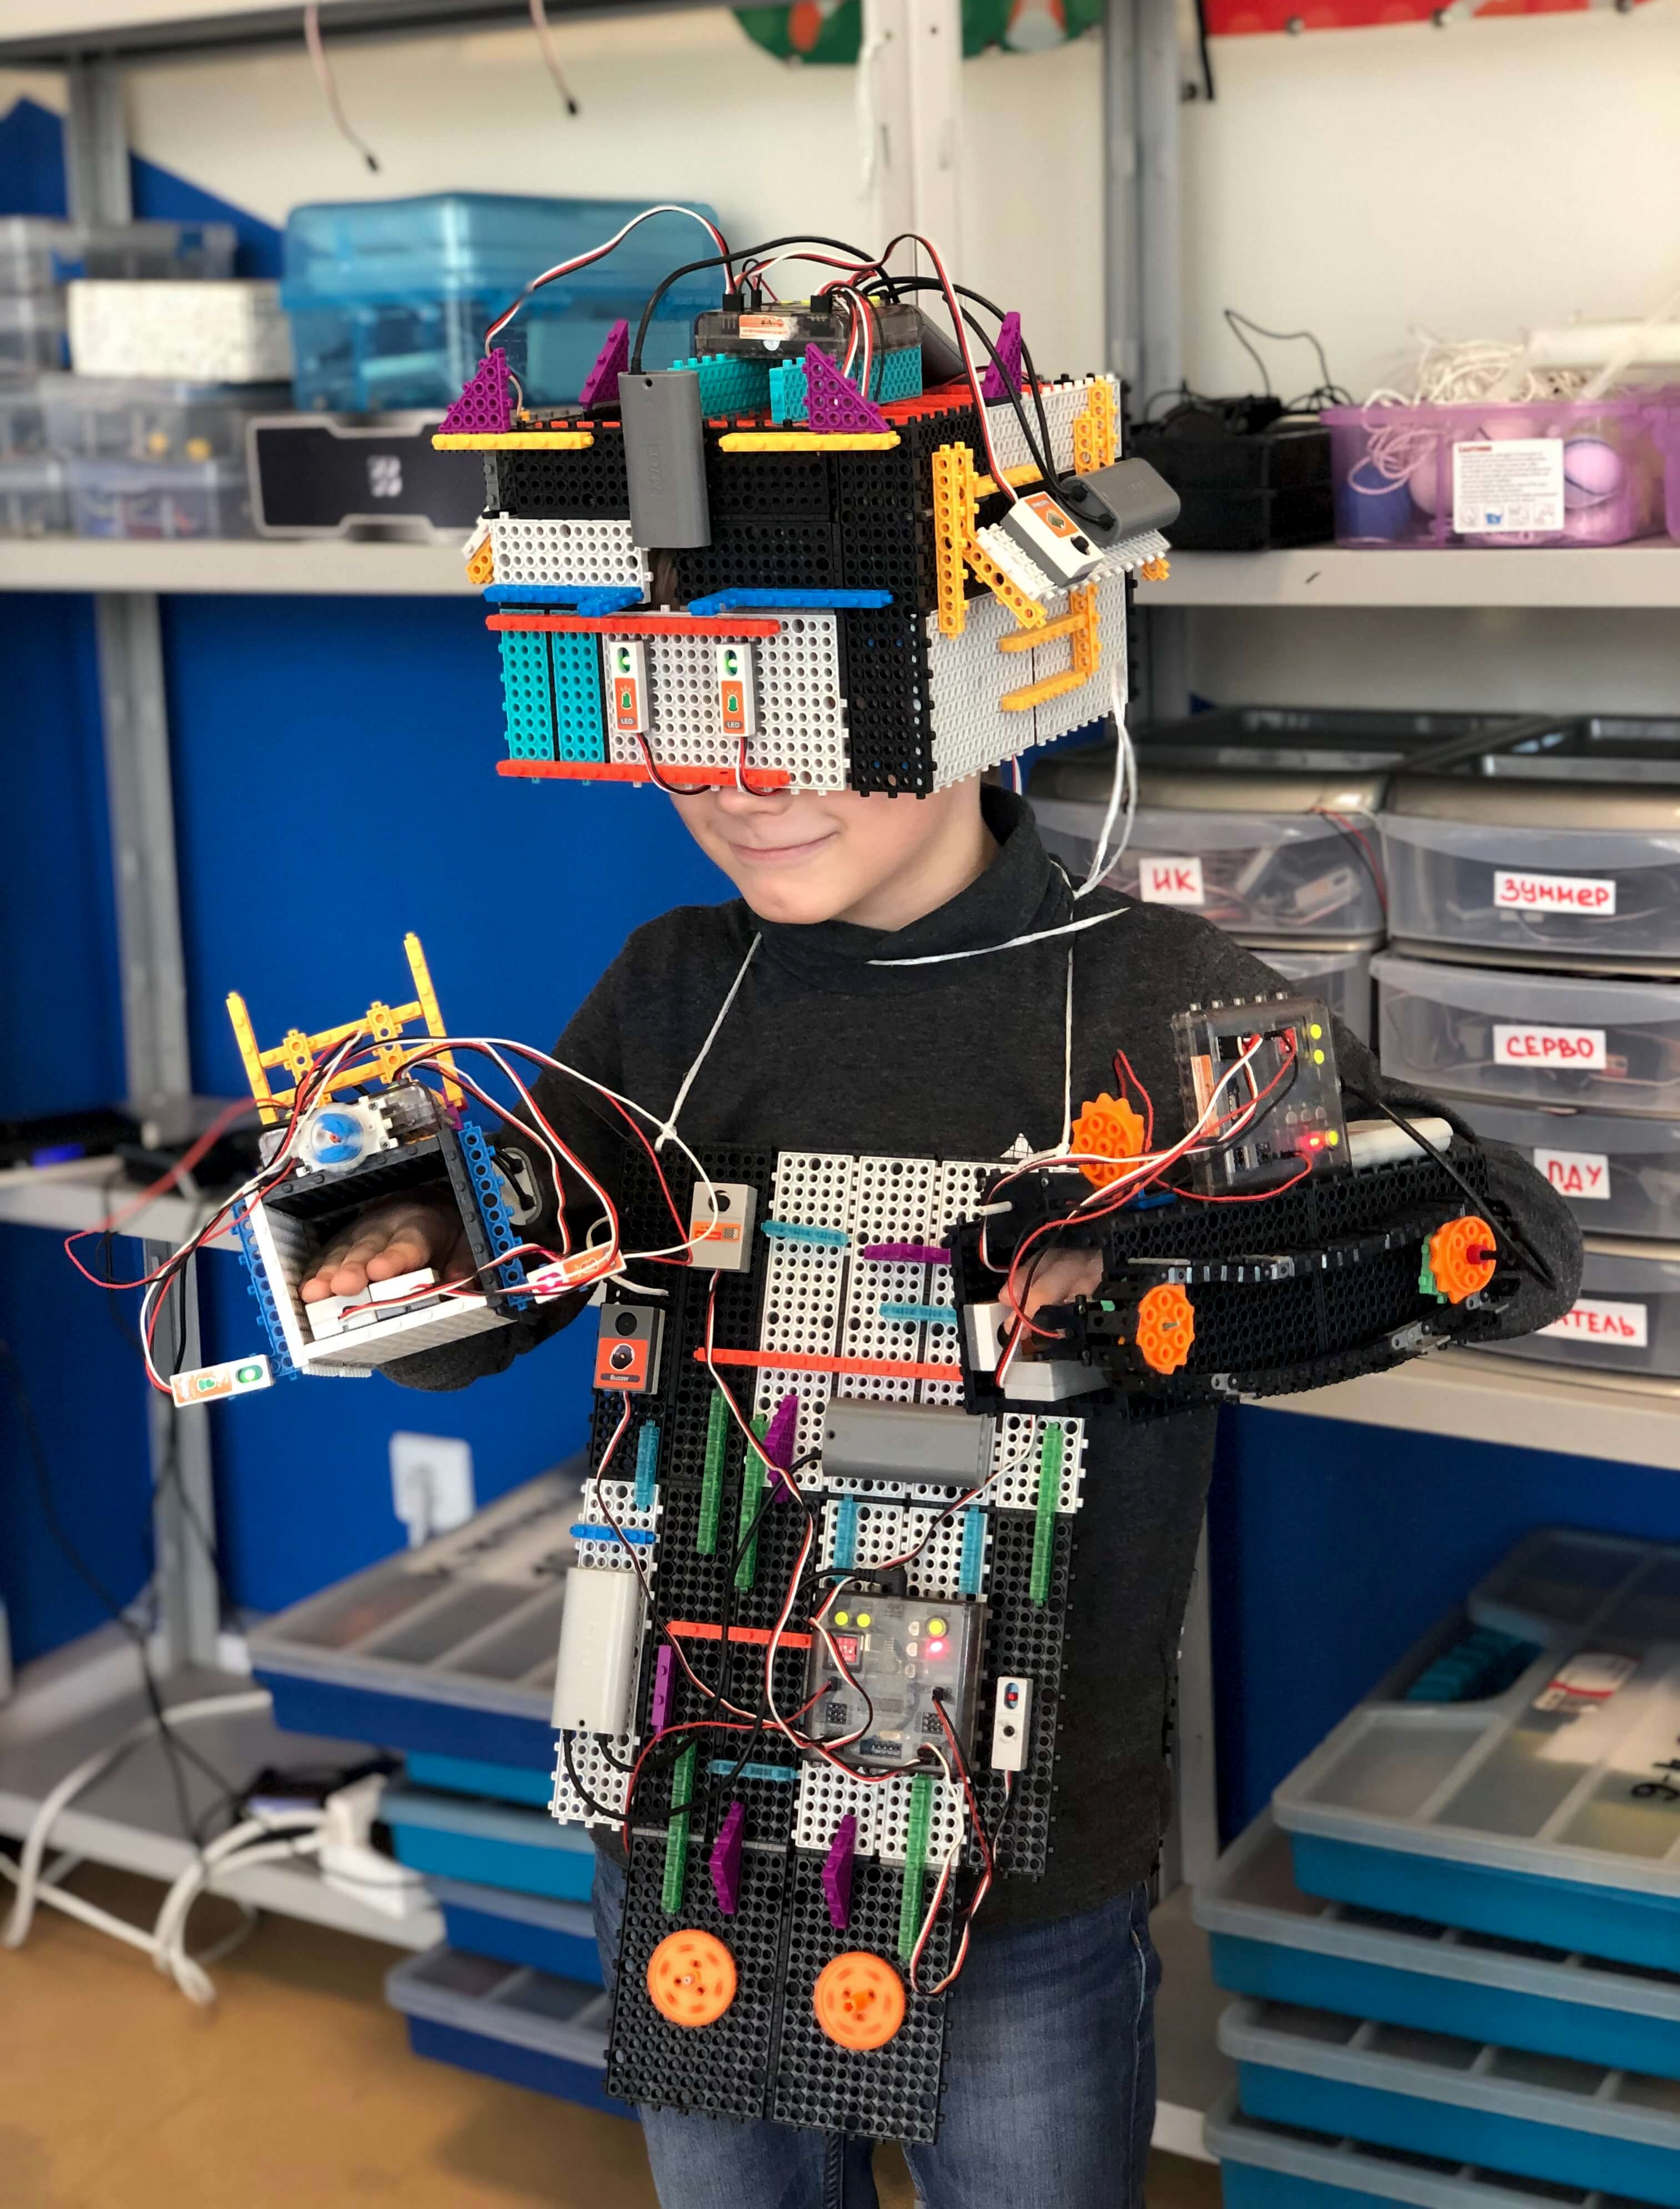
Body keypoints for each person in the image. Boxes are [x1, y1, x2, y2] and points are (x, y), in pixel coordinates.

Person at [300, 770, 1579, 2209]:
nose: (745, 789)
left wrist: (1151, 1273)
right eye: (698, 735)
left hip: (1019, 1872)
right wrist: (410, 1237)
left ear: (956, 701)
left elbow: (1517, 1245)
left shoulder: (1148, 992)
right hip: (698, 1820)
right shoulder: (677, 992)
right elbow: (485, 1303)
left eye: (800, 729)